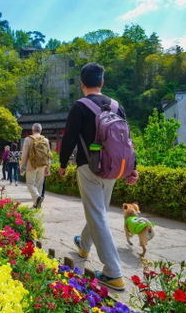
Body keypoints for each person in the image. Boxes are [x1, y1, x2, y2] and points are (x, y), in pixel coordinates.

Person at [58, 62, 139, 291]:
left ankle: (113, 272)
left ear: (82, 84)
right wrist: (133, 168)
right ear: (102, 82)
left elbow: (69, 138)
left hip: (89, 167)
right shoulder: (116, 105)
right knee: (98, 212)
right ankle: (84, 245)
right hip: (113, 168)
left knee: (97, 215)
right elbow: (127, 141)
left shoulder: (80, 106)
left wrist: (63, 164)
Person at [20, 123, 51, 208]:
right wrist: (48, 167)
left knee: (30, 184)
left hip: (31, 165)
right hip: (42, 165)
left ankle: (37, 198)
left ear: (32, 130)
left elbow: (24, 155)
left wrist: (22, 166)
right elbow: (48, 155)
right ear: (41, 130)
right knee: (39, 185)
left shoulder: (28, 139)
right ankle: (37, 204)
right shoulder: (46, 140)